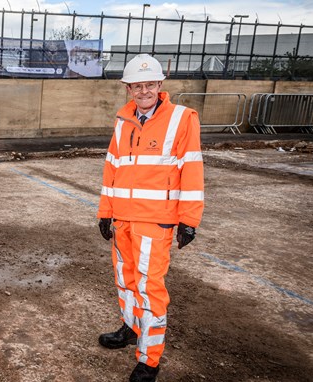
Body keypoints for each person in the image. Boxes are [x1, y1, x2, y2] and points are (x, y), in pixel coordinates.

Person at [96, 54, 204, 382]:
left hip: (155, 223)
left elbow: (192, 169)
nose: (144, 91)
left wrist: (189, 220)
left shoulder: (182, 119)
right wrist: (105, 212)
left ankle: (149, 358)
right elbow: (112, 170)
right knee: (126, 281)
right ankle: (131, 328)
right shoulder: (123, 121)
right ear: (128, 89)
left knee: (149, 288)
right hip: (124, 221)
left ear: (160, 85)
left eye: (150, 85)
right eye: (137, 86)